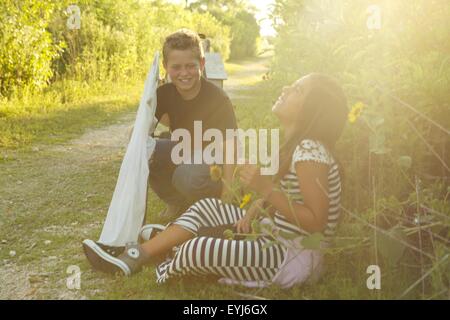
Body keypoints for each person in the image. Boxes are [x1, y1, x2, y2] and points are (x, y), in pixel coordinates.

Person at [83, 73, 348, 289]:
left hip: (291, 257)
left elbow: (316, 222)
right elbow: (289, 196)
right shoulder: (298, 146)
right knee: (206, 207)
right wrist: (258, 205)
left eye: (298, 90)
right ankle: (138, 255)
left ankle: (174, 241)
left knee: (197, 250)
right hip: (272, 237)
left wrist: (264, 188)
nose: (287, 87)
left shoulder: (311, 152)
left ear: (311, 110)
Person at [149, 29, 237, 218]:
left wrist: (227, 193)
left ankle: (206, 208)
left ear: (202, 63)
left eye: (190, 66)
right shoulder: (163, 94)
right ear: (165, 66)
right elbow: (149, 126)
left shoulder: (218, 99)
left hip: (212, 160)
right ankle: (176, 202)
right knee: (149, 151)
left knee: (186, 175)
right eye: (176, 67)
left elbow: (231, 148)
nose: (184, 73)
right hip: (186, 149)